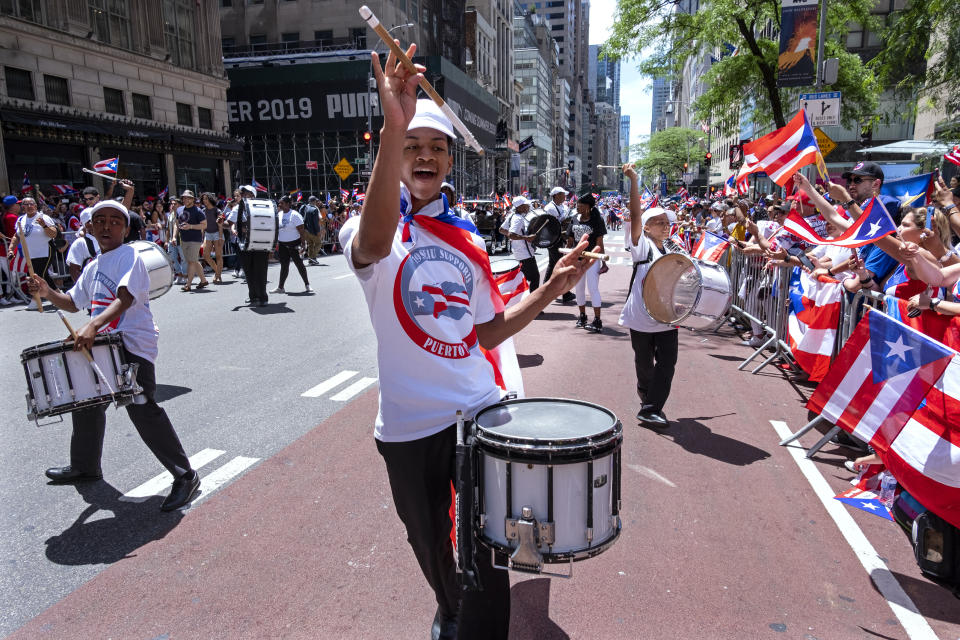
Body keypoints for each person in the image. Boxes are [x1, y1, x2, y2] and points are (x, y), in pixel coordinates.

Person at [340, 44, 594, 640]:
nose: (425, 156)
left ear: (450, 161)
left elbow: (485, 331)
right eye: (412, 148)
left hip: (479, 410)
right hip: (408, 422)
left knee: (486, 538)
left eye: (436, 148)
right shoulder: (370, 225)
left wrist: (553, 287)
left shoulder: (467, 237)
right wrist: (394, 123)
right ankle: (449, 606)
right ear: (394, 157)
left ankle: (482, 628)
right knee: (426, 537)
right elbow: (374, 247)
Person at [27, 200, 200, 511]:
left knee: (142, 407)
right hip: (103, 344)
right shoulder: (93, 266)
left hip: (132, 344)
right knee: (86, 404)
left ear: (126, 228)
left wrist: (92, 325)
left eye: (115, 221)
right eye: (100, 221)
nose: (107, 226)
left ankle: (185, 475)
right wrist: (45, 291)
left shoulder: (129, 256)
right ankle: (85, 465)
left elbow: (124, 298)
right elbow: (71, 302)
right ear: (90, 228)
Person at [619, 166, 678, 428]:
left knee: (667, 363)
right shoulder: (641, 247)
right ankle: (647, 400)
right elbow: (634, 216)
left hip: (667, 317)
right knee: (644, 363)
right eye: (660, 223)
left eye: (668, 223)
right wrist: (634, 180)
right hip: (642, 316)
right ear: (648, 227)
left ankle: (651, 407)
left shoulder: (675, 249)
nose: (666, 227)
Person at [568, 193, 607, 332]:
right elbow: (570, 241)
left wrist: (603, 261)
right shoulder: (574, 219)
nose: (578, 207)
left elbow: (599, 242)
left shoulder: (597, 220)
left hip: (592, 260)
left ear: (589, 207)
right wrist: (568, 258)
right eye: (577, 204)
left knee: (593, 288)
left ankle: (597, 320)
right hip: (577, 260)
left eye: (581, 205)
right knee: (579, 289)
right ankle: (582, 316)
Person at [12, 196, 59, 308]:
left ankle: (35, 299)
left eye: (31, 204)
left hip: (45, 250)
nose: (29, 206)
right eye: (26, 204)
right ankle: (58, 295)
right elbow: (16, 236)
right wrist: (10, 249)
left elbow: (54, 234)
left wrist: (43, 225)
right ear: (22, 207)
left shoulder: (44, 217)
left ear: (36, 206)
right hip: (30, 253)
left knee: (38, 275)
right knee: (42, 275)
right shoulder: (20, 220)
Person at [227, 185, 270, 306]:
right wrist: (222, 223)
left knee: (261, 270)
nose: (244, 195)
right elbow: (229, 223)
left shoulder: (263, 208)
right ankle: (253, 296)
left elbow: (270, 223)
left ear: (253, 195)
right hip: (244, 243)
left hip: (260, 242)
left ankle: (263, 297)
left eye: (247, 193)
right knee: (248, 270)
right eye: (243, 193)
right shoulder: (237, 208)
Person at [271, 195, 311, 294]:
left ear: (288, 204)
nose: (280, 205)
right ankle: (281, 287)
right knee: (284, 266)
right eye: (279, 203)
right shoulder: (279, 215)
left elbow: (302, 231)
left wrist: (303, 244)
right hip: (282, 245)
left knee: (299, 265)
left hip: (294, 244)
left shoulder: (295, 215)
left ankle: (307, 285)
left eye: (282, 203)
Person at [500, 195, 540, 292]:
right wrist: (526, 238)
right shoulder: (518, 218)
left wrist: (514, 236)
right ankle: (531, 303)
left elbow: (501, 229)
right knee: (535, 278)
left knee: (524, 279)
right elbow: (511, 234)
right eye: (526, 205)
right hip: (525, 254)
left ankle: (524, 300)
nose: (528, 207)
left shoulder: (511, 216)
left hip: (519, 253)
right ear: (520, 207)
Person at [542, 186, 575, 302]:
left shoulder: (562, 206)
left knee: (553, 264)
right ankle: (564, 293)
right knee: (559, 264)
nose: (564, 197)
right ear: (556, 195)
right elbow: (551, 224)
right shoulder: (550, 208)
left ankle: (546, 290)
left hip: (560, 238)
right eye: (562, 195)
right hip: (553, 239)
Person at [176, 190, 209, 291]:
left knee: (191, 262)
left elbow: (204, 225)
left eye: (188, 198)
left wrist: (190, 226)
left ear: (192, 199)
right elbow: (176, 222)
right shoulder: (179, 209)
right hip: (184, 239)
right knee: (193, 261)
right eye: (184, 198)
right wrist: (174, 236)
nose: (185, 199)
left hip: (195, 240)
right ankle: (203, 281)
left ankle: (188, 285)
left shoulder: (198, 211)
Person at [65, 208, 99, 283]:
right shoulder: (80, 243)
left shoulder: (110, 240)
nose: (96, 223)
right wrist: (84, 291)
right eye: (90, 221)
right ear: (85, 224)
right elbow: (74, 270)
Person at [200, 192, 225, 284]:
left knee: (218, 256)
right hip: (208, 234)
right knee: (206, 255)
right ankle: (218, 272)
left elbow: (220, 225)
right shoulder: (202, 211)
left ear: (210, 199)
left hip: (217, 234)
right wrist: (202, 239)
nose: (204, 200)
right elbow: (203, 226)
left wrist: (220, 237)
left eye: (206, 198)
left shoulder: (217, 211)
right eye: (203, 199)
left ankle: (217, 276)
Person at [301, 195, 323, 265]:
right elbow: (315, 222)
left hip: (305, 230)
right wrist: (318, 231)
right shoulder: (315, 209)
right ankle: (313, 258)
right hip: (312, 230)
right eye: (316, 201)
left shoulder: (305, 208)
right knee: (319, 243)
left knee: (310, 244)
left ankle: (311, 260)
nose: (316, 202)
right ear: (313, 201)